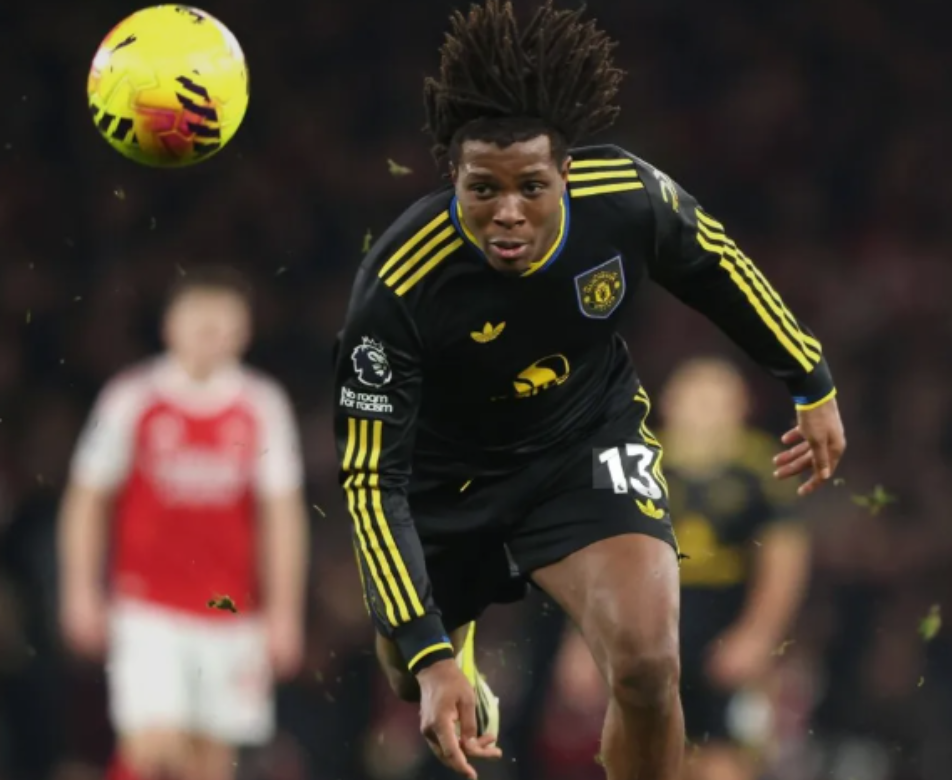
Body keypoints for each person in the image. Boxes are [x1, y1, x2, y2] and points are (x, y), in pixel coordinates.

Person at [331, 2, 847, 778]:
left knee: (647, 665)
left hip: (582, 445)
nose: (508, 213)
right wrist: (430, 655)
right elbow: (372, 479)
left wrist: (809, 379)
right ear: (453, 179)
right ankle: (452, 643)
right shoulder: (398, 285)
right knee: (410, 676)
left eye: (532, 187)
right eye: (483, 189)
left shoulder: (627, 196)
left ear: (565, 175)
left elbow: (716, 263)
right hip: (447, 481)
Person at [59, 266, 309, 780]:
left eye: (223, 323)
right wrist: (79, 589)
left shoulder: (261, 405)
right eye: (199, 321)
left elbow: (282, 514)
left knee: (210, 762)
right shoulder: (132, 397)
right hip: (147, 607)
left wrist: (285, 611)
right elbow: (86, 499)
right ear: (170, 326)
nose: (210, 334)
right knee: (153, 745)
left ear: (244, 331)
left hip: (233, 611)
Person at [660, 356, 812, 780]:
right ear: (668, 403)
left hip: (728, 620)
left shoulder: (762, 469)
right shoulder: (633, 462)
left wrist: (759, 633)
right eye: (695, 399)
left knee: (727, 754)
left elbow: (785, 557)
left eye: (717, 401)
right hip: (655, 624)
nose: (704, 413)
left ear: (742, 408)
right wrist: (589, 638)